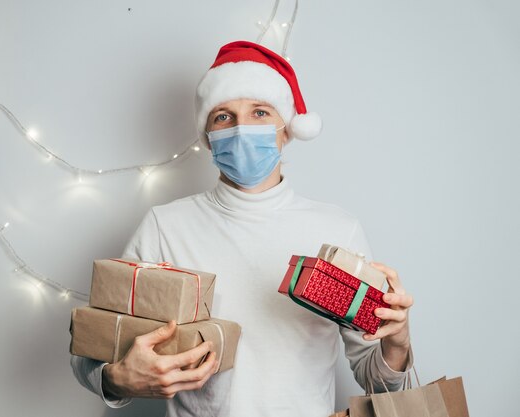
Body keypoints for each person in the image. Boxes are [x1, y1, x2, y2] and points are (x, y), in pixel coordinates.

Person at [71, 40, 413, 417]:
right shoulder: (165, 227)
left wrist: (397, 340)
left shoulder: (337, 231)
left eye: (260, 112)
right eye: (223, 117)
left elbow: (374, 378)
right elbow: (88, 352)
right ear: (207, 138)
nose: (241, 129)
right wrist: (118, 378)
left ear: (286, 130)